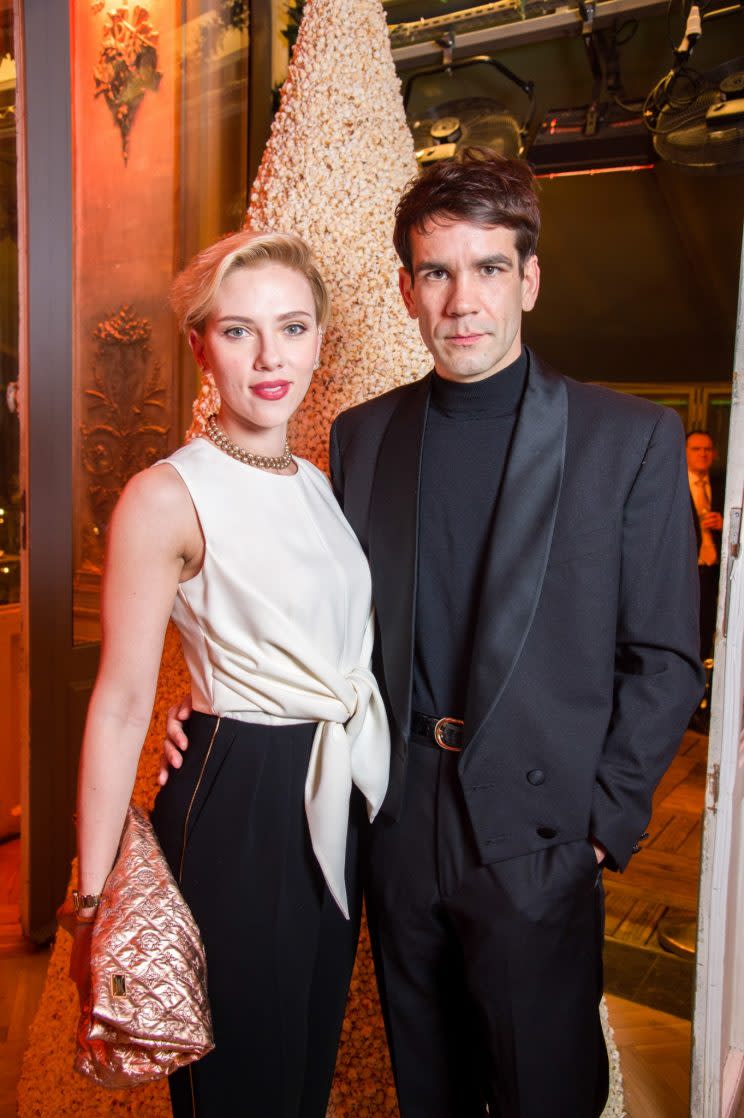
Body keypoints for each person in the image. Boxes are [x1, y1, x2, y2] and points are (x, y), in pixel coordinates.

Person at [165, 152, 704, 1118]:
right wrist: (202, 711)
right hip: (397, 819)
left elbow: (663, 659)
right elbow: (307, 611)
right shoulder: (366, 434)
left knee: (545, 1095)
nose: (464, 299)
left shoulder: (628, 440)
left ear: (528, 280)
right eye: (438, 271)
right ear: (407, 287)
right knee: (430, 1094)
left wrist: (596, 834)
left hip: (536, 840)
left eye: (489, 268)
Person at [70, 230, 390, 1118]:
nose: (270, 355)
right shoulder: (166, 493)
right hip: (239, 799)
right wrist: (94, 902)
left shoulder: (319, 484)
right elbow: (122, 700)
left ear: (321, 337)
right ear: (200, 345)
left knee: (301, 1080)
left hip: (334, 793)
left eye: (291, 327)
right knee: (243, 1090)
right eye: (239, 330)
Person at [686, 428, 724, 659]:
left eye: (707, 449)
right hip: (684, 570)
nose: (703, 454)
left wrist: (725, 523)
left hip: (713, 571)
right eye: (696, 449)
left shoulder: (725, 484)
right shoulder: (674, 483)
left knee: (707, 628)